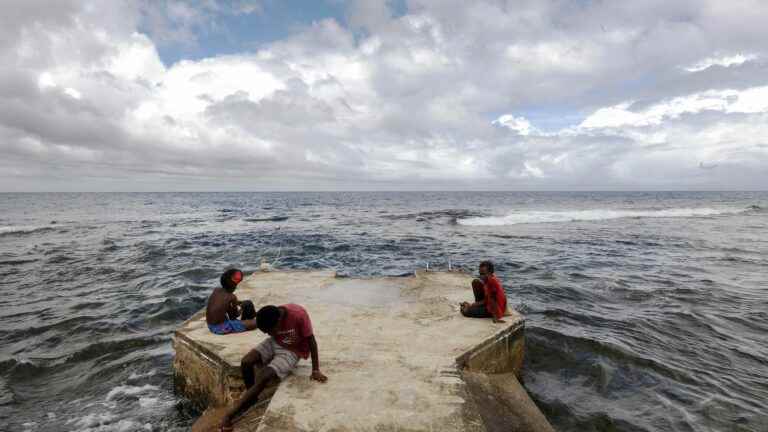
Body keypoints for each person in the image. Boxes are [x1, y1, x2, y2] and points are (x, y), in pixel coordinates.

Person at [219, 304, 327, 430]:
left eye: (269, 331)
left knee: (264, 376)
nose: (268, 333)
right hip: (276, 341)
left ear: (279, 321)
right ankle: (252, 398)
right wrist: (272, 335)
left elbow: (311, 341)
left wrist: (315, 370)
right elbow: (267, 333)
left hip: (293, 350)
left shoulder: (299, 315)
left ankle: (229, 416)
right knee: (246, 362)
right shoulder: (270, 315)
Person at [206, 268, 258, 334]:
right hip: (220, 328)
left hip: (210, 325)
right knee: (257, 322)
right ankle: (248, 320)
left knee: (247, 303)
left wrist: (238, 303)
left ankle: (246, 320)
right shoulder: (232, 297)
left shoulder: (216, 290)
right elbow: (233, 317)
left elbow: (223, 304)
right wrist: (242, 308)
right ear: (234, 286)